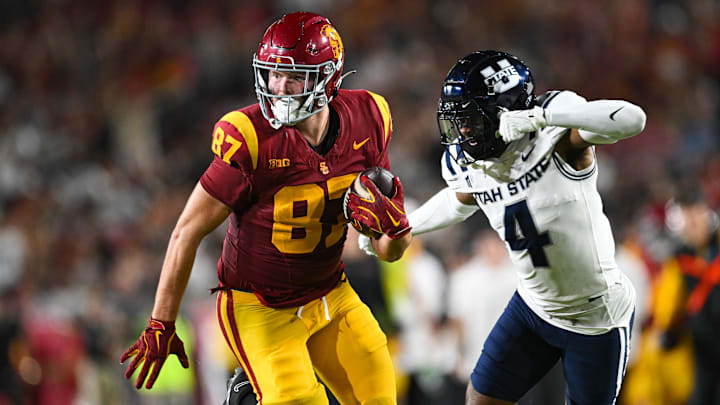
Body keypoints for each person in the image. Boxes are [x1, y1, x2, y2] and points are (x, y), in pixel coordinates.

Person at [120, 12, 411, 405]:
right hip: (260, 306)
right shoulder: (253, 138)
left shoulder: (368, 120)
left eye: (294, 76)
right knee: (300, 399)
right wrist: (161, 322)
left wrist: (395, 230)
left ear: (329, 78)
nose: (279, 86)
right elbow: (186, 230)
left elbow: (387, 252)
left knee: (379, 391)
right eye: (273, 74)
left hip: (331, 294)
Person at [360, 50, 646, 404]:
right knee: (480, 400)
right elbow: (459, 199)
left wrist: (539, 117)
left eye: (472, 119)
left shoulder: (556, 137)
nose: (463, 131)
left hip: (595, 316)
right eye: (458, 120)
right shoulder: (469, 162)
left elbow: (632, 119)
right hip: (533, 306)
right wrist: (401, 227)